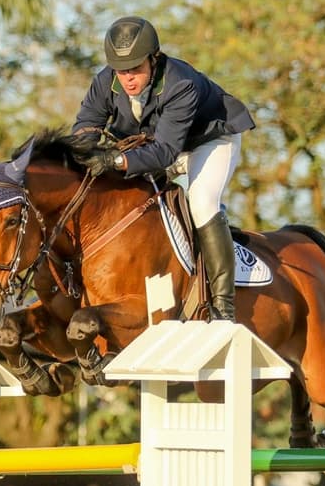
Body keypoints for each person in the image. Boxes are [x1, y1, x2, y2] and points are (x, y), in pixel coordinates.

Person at [73, 16, 255, 320]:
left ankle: (224, 306)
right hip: (156, 147)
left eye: (136, 68)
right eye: (122, 70)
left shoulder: (180, 83)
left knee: (201, 201)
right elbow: (85, 125)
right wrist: (82, 152)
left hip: (207, 142)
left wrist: (115, 160)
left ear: (153, 60)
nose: (128, 78)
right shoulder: (106, 81)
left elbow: (166, 152)